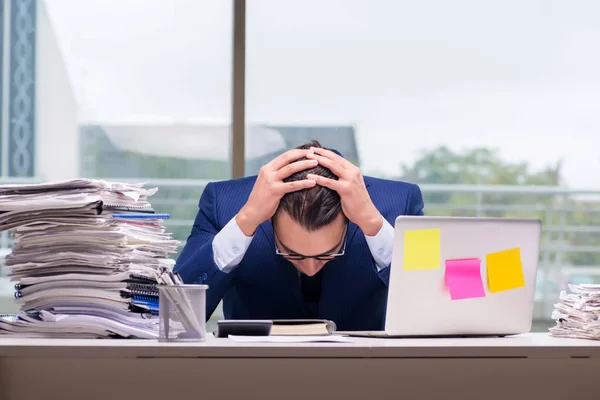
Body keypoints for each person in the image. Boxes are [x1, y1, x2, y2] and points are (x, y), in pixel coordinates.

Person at [174, 140, 424, 331]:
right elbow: (173, 315)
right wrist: (244, 222)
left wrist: (374, 225)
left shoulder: (402, 202)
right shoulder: (223, 202)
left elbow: (446, 296)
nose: (311, 268)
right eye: (291, 252)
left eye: (329, 252)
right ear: (270, 217)